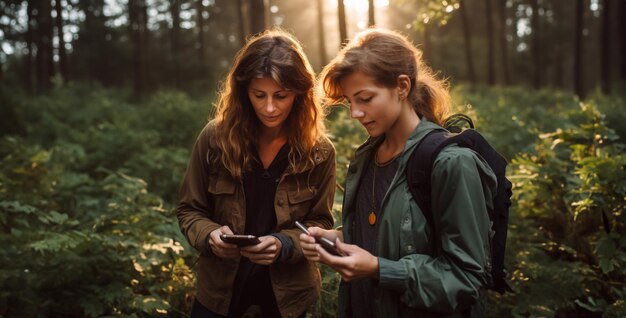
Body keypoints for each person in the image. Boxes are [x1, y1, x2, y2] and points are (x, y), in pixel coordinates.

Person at [299, 28, 496, 317]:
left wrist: (380, 269)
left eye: (365, 99)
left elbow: (467, 278)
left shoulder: (451, 163)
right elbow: (388, 233)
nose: (355, 112)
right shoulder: (367, 156)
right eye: (350, 101)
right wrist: (338, 238)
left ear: (402, 87)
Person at [177, 29, 336, 318]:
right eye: (259, 95)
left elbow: (321, 221)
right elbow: (190, 209)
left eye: (281, 95)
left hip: (289, 297)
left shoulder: (319, 152)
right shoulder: (215, 139)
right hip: (219, 293)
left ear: (300, 94)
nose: (270, 107)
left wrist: (284, 244)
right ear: (243, 91)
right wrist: (211, 236)